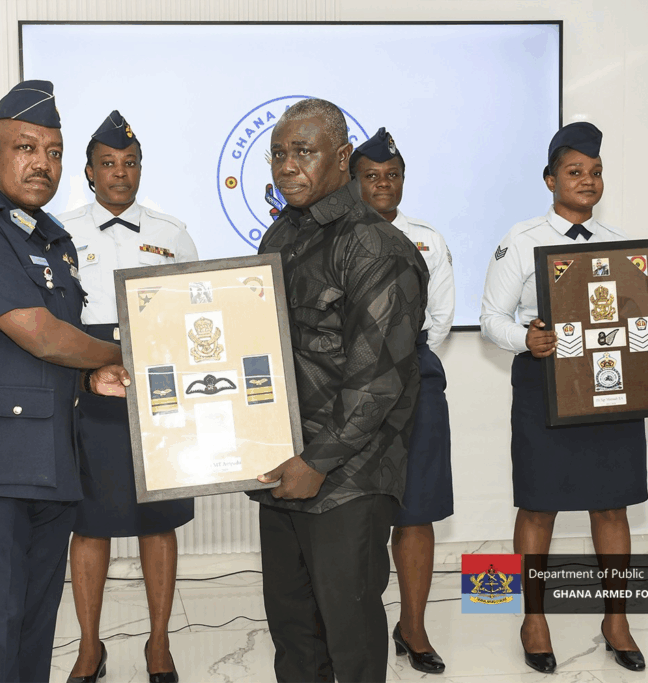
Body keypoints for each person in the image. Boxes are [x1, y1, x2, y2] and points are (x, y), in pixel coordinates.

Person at [0, 81, 130, 683]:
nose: (42, 162)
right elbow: (39, 334)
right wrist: (125, 352)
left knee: (34, 637)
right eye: (26, 147)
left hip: (49, 463)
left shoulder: (51, 239)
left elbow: (40, 359)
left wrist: (91, 377)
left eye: (54, 152)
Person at [479, 121, 648, 674]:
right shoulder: (521, 240)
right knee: (538, 504)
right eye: (575, 172)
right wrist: (526, 339)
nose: (587, 181)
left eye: (595, 172)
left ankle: (616, 619)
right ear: (550, 180)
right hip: (544, 386)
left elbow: (634, 319)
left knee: (612, 504)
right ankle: (533, 618)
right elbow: (491, 318)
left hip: (611, 389)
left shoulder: (621, 244)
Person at [252, 99, 429, 683]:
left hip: (346, 476)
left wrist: (317, 461)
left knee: (349, 636)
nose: (288, 165)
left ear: (343, 156)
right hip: (284, 464)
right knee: (293, 634)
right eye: (279, 153)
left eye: (304, 151)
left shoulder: (375, 245)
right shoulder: (281, 233)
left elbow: (378, 380)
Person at [59, 111, 198, 683]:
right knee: (88, 522)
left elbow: (195, 308)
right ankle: (89, 646)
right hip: (88, 383)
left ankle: (158, 644)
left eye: (130, 163)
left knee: (156, 519)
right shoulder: (59, 230)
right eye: (109, 163)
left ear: (141, 169)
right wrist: (85, 371)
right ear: (90, 172)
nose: (121, 173)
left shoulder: (172, 233)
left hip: (155, 384)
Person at [350, 127, 454, 675]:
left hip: (416, 377)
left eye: (393, 175)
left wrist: (398, 361)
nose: (383, 184)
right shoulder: (336, 238)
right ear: (353, 182)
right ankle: (356, 628)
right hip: (350, 385)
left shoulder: (427, 239)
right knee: (357, 515)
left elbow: (439, 320)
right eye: (372, 176)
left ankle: (413, 627)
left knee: (417, 509)